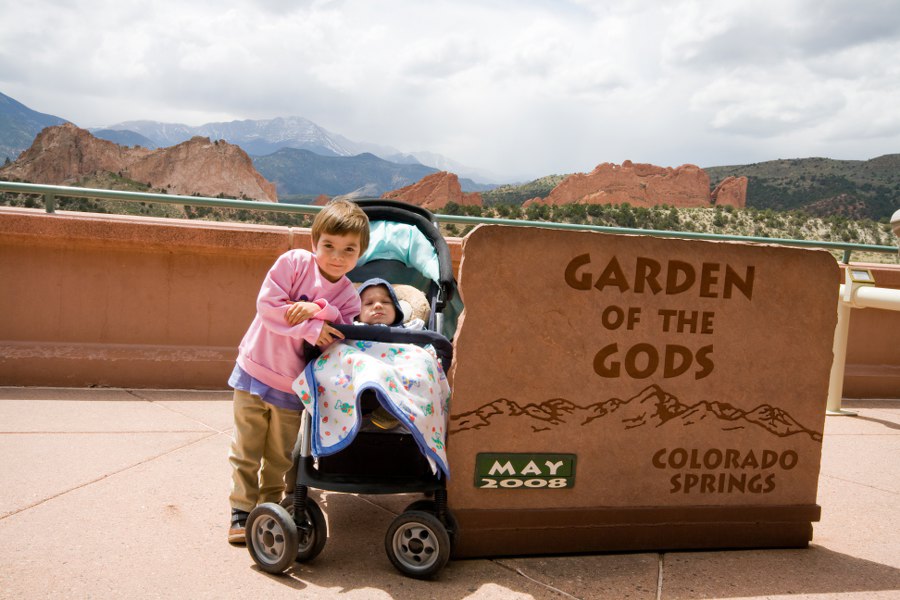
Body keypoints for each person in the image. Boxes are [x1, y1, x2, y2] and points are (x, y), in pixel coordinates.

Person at [227, 199, 369, 544]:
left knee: (278, 456)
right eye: (329, 246)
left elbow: (338, 341)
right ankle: (242, 510)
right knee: (245, 449)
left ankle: (269, 508)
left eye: (349, 249)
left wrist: (317, 309)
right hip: (253, 370)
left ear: (361, 252)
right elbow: (268, 309)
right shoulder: (292, 264)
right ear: (314, 242)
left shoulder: (349, 298)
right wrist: (311, 327)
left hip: (292, 387)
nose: (337, 256)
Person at [356, 277, 424, 330]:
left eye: (385, 302)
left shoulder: (409, 330)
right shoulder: (352, 329)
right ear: (357, 314)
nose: (378, 305)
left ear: (396, 310)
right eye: (369, 303)